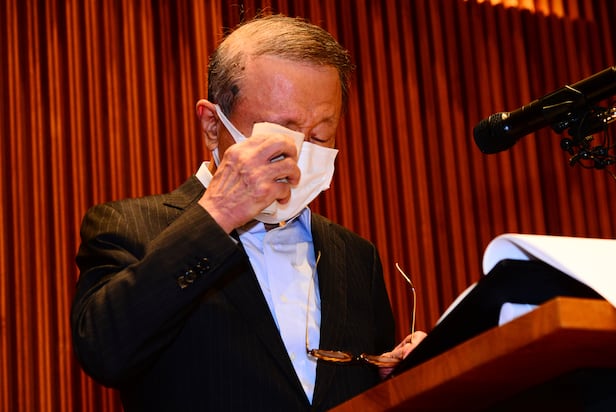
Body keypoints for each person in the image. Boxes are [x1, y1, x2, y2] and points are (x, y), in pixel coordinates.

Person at [71, 14, 425, 411]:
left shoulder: (356, 255)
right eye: (282, 133)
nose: (301, 154)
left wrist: (397, 374)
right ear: (212, 125)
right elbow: (104, 352)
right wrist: (218, 214)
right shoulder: (130, 228)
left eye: (320, 136)